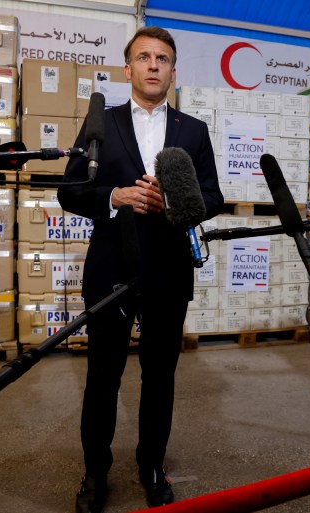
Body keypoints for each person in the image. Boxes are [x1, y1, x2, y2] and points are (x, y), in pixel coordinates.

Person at [58, 26, 224, 513]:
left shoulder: (193, 131)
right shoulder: (100, 125)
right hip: (111, 268)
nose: (154, 65)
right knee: (103, 376)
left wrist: (177, 200)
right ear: (127, 69)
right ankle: (95, 474)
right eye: (145, 57)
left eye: (164, 59)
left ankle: (152, 466)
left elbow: (213, 196)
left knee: (160, 377)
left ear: (174, 71)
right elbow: (69, 191)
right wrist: (116, 196)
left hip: (170, 270)